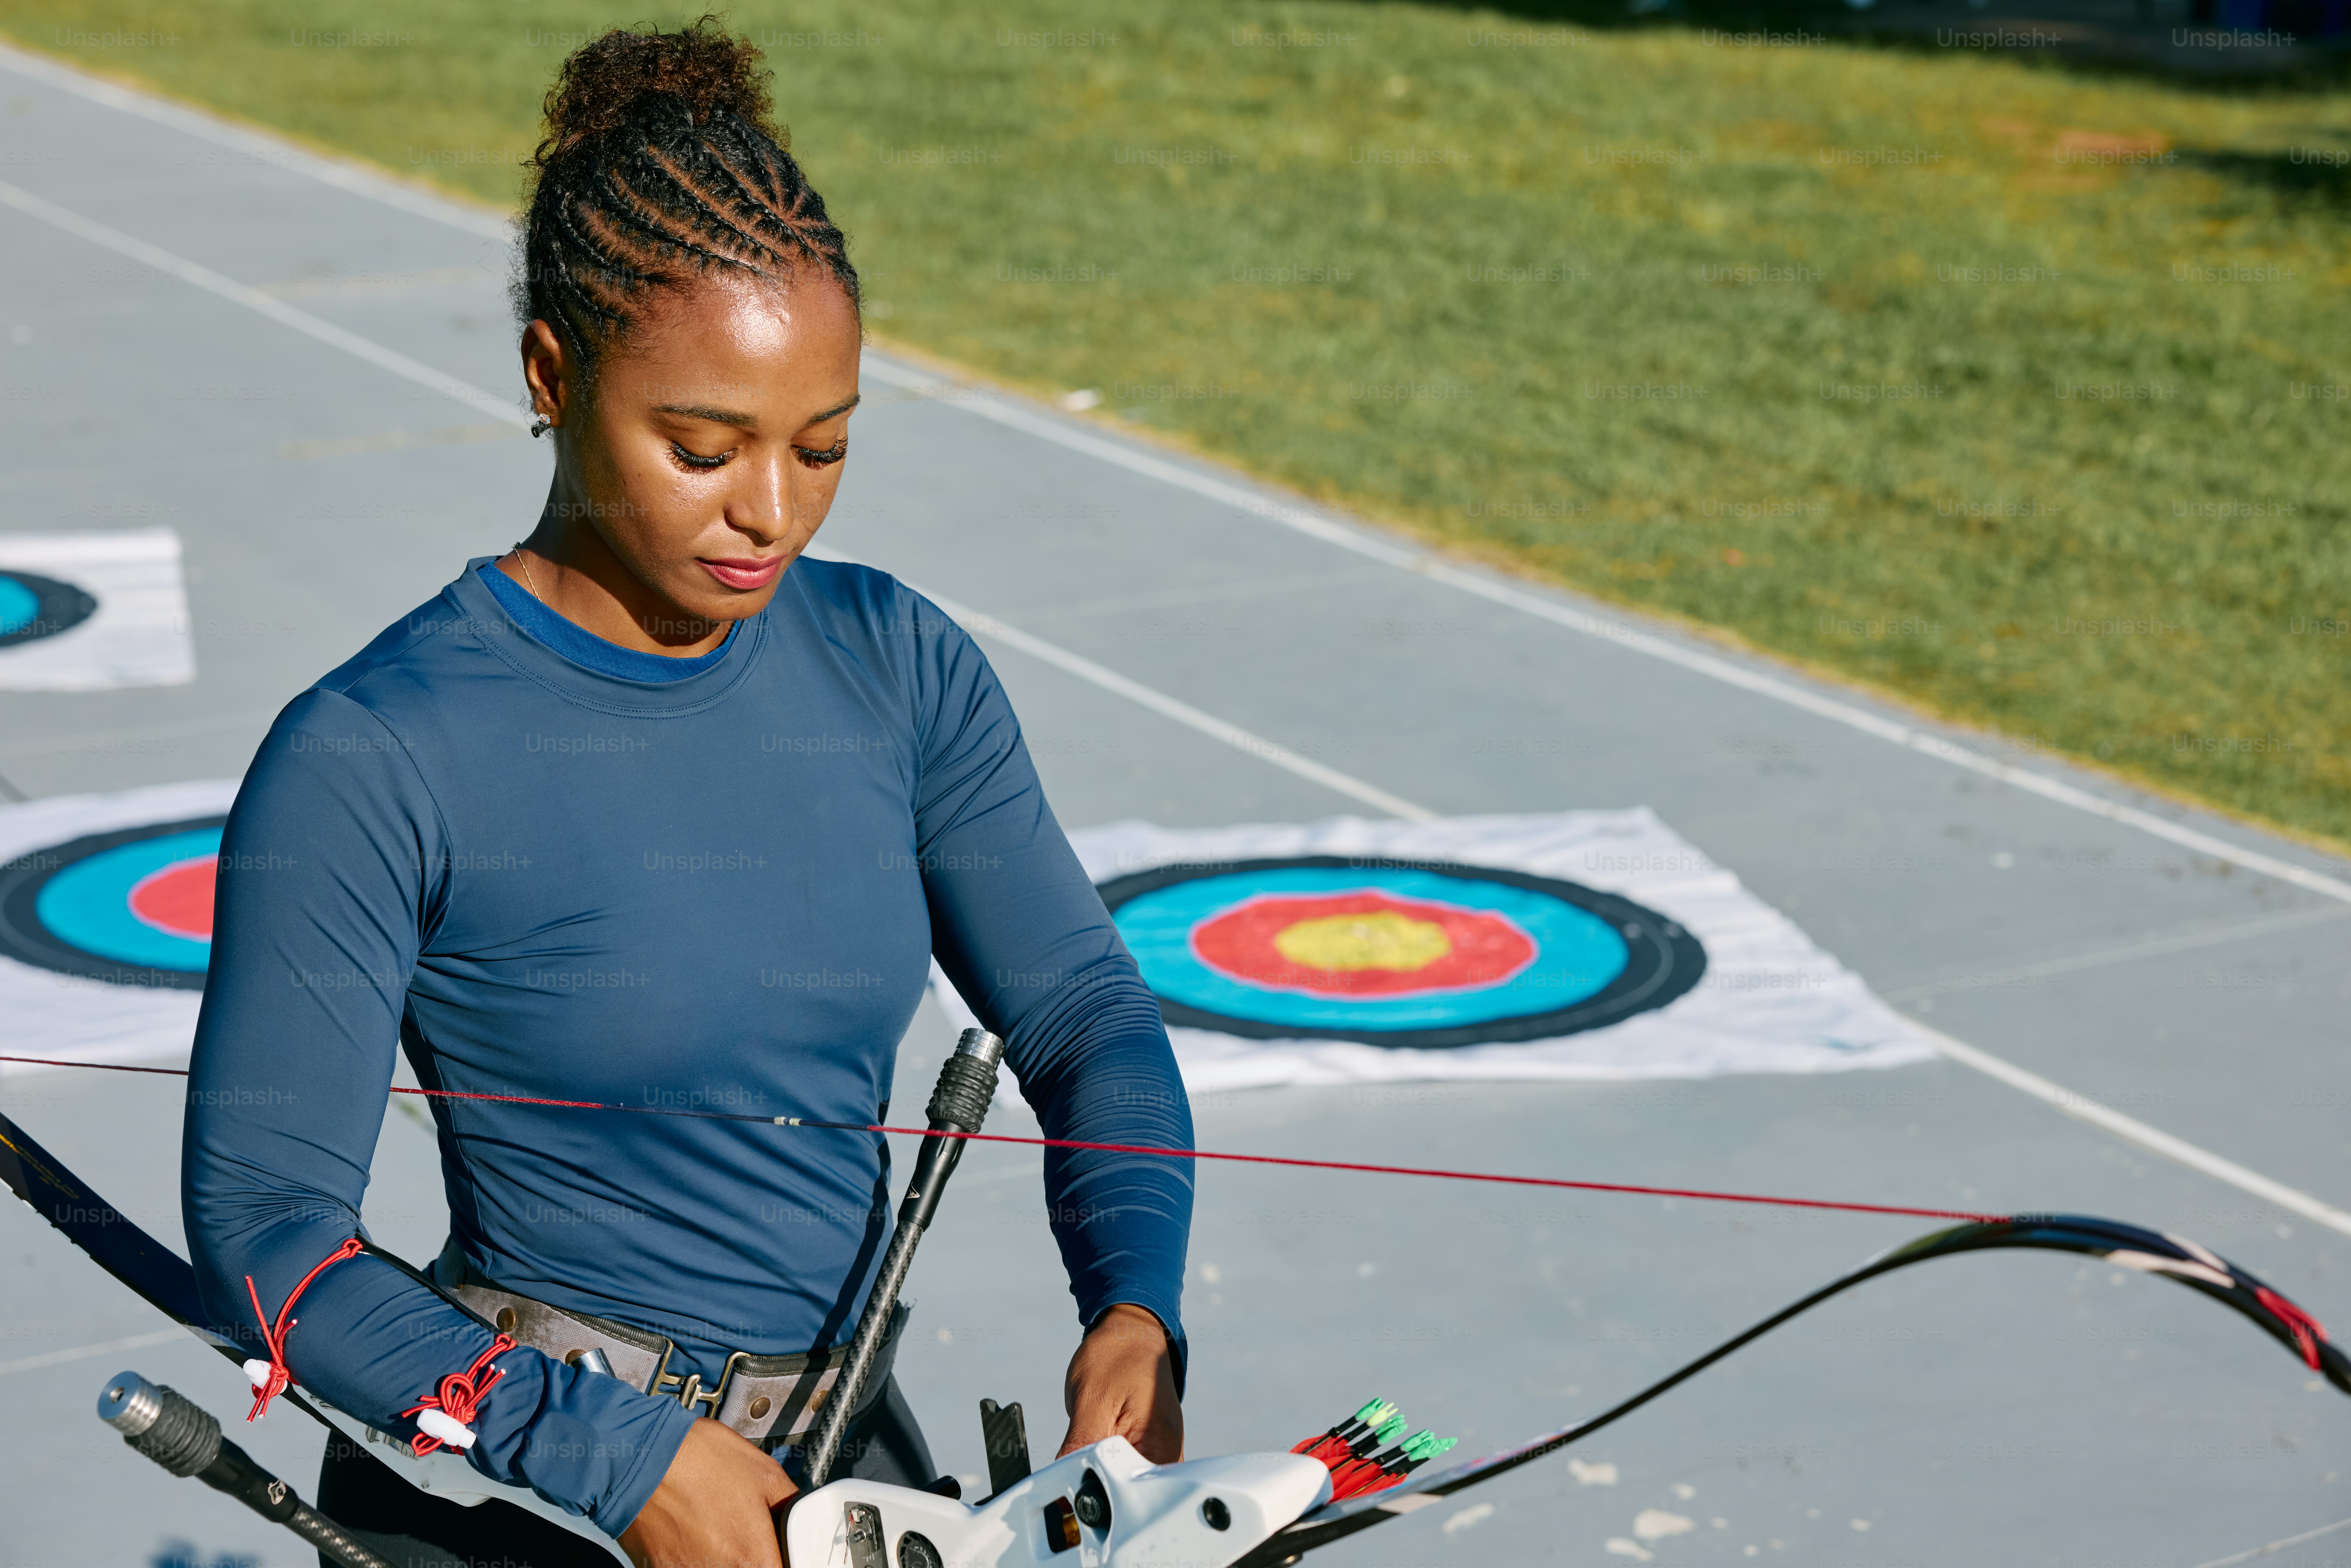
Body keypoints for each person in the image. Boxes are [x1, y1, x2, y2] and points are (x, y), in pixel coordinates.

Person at [180, 20, 1192, 1567]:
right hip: (527, 1487)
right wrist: (606, 1450)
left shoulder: (899, 664)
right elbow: (268, 1234)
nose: (770, 511)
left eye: (823, 447)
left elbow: (1083, 1017)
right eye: (704, 447)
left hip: (846, 1465)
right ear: (551, 372)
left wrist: (1136, 1305)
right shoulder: (369, 752)